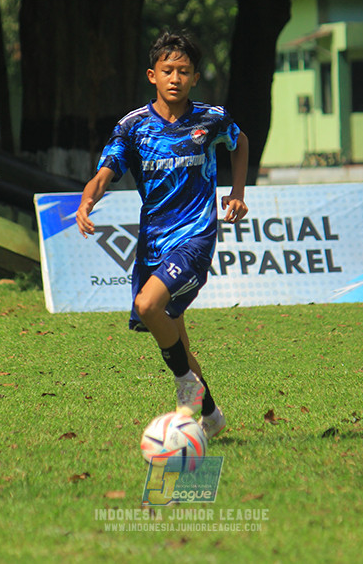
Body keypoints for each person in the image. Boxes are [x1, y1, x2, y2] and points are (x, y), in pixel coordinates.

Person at [76, 31, 249, 439]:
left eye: (184, 71)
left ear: (195, 78)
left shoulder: (211, 119)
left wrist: (238, 192)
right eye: (168, 70)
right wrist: (87, 201)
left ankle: (185, 387)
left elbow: (239, 143)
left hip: (195, 237)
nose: (176, 78)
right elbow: (105, 173)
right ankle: (210, 415)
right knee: (177, 339)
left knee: (148, 305)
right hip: (154, 242)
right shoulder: (133, 127)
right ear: (152, 75)